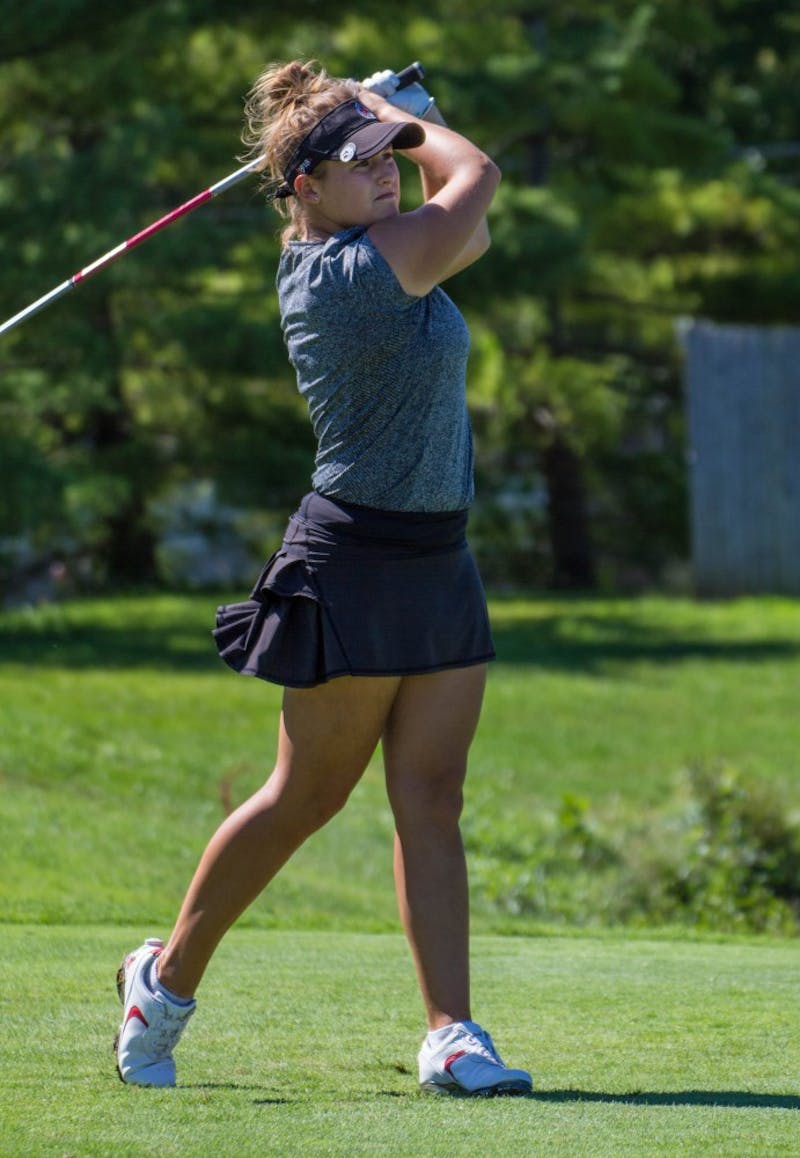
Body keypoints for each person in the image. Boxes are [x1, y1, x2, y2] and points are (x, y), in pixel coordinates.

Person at [114, 58, 532, 1099]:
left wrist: (386, 125)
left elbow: (460, 223)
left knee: (431, 796)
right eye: (360, 165)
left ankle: (451, 1033)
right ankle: (160, 985)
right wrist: (405, 115)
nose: (386, 174)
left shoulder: (387, 249)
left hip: (437, 555)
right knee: (306, 796)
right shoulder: (341, 279)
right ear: (303, 185)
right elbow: (472, 180)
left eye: (389, 162)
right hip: (351, 559)